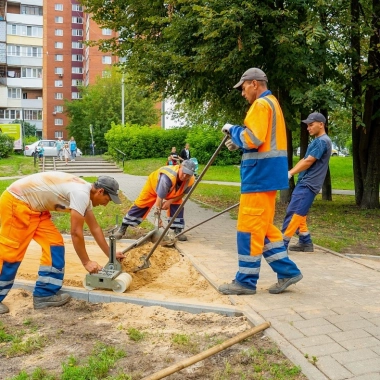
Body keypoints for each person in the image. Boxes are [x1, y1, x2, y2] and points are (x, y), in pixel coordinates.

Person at [219, 67, 303, 296]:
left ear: (254, 83)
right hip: (267, 178)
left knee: (248, 229)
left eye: (243, 87)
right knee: (263, 229)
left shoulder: (260, 105)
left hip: (258, 177)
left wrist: (233, 130)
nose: (242, 92)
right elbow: (260, 139)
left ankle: (245, 281)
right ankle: (287, 272)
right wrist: (240, 142)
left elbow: (253, 138)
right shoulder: (272, 103)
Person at [0, 173, 123, 314]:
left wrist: (111, 255)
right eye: (107, 199)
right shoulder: (81, 193)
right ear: (100, 191)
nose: (106, 204)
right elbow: (76, 232)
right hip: (17, 203)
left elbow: (94, 228)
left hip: (36, 210)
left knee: (54, 245)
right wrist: (86, 262)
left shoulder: (85, 195)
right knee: (10, 254)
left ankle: (44, 294)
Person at [282, 112, 332, 252]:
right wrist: (291, 173)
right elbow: (305, 159)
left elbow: (309, 161)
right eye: (307, 125)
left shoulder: (322, 141)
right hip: (306, 182)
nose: (308, 128)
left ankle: (281, 245)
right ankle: (305, 242)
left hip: (309, 184)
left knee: (294, 213)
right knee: (300, 213)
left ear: (321, 124)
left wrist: (290, 173)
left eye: (311, 125)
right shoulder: (318, 141)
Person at [114, 160, 196, 242]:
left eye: (188, 174)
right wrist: (158, 218)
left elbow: (183, 194)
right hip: (153, 187)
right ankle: (123, 228)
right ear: (179, 167)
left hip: (173, 193)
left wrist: (170, 201)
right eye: (184, 172)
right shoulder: (167, 178)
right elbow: (159, 198)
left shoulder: (191, 180)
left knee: (178, 205)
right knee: (141, 204)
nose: (185, 176)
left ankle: (178, 231)